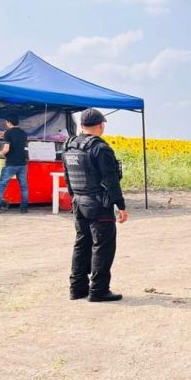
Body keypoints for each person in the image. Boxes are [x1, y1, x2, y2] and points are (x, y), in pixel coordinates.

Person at [62, 108, 128, 302]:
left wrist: (74, 197)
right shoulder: (101, 148)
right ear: (101, 125)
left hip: (79, 202)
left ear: (82, 125)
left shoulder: (69, 145)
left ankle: (77, 288)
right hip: (99, 204)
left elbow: (67, 177)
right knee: (103, 246)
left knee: (82, 244)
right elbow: (111, 180)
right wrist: (121, 206)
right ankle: (99, 290)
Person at [0, 116, 29, 214]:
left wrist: (0, 153)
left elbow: (6, 149)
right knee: (24, 187)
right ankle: (24, 208)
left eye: (6, 122)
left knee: (1, 186)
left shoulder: (8, 133)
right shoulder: (23, 133)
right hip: (22, 164)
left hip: (11, 163)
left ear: (9, 122)